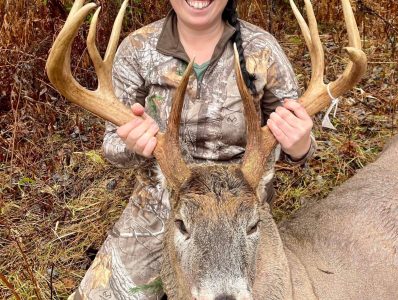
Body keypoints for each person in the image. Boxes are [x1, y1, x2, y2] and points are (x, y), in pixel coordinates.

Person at [69, 0, 316, 299]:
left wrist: (300, 143)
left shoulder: (262, 49)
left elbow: (295, 137)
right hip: (158, 206)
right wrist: (132, 144)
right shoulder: (138, 48)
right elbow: (112, 145)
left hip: (240, 214)